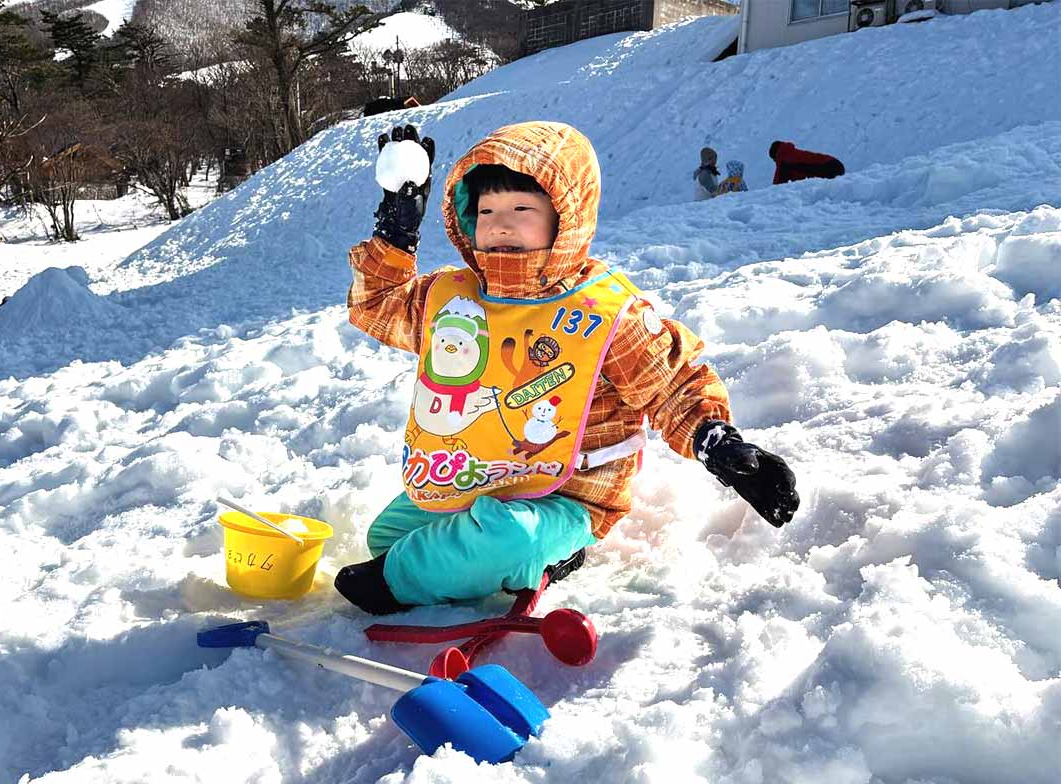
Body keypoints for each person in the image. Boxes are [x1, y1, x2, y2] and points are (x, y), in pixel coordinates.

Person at [334, 122, 800, 615]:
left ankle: (434, 574)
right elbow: (379, 307)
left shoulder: (601, 313)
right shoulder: (455, 298)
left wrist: (718, 442)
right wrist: (395, 232)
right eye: (487, 211)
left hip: (570, 492)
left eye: (521, 210)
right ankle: (524, 559)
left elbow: (670, 383)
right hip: (482, 474)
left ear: (565, 218)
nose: (501, 225)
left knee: (495, 540)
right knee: (384, 537)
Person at [769, 140, 845, 185]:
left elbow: (777, 185)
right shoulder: (791, 155)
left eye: (774, 159)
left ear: (776, 155)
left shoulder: (784, 160)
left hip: (830, 166)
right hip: (833, 163)